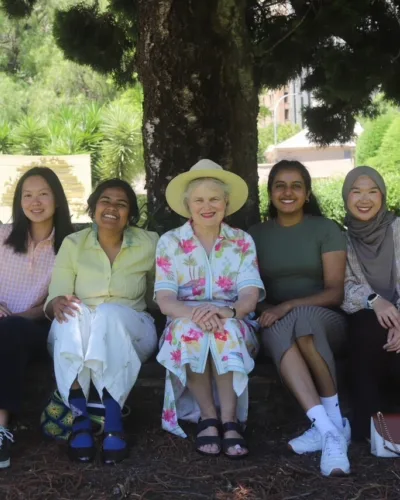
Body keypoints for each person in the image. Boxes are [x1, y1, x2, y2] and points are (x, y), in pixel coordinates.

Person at [155, 159, 265, 459]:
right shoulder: (170, 242)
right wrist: (197, 314)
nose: (207, 206)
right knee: (190, 331)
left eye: (214, 198)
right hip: (183, 319)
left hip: (234, 319)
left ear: (226, 203)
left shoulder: (242, 242)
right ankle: (209, 417)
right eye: (199, 199)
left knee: (225, 330)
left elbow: (249, 297)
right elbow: (165, 300)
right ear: (187, 205)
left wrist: (226, 313)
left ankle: (230, 420)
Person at [44, 179, 158, 464]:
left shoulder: (150, 243)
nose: (112, 208)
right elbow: (55, 297)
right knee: (72, 311)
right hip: (76, 333)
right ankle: (81, 417)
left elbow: (161, 295)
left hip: (133, 330)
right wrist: (56, 302)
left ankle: (114, 418)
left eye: (122, 204)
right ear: (93, 208)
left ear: (130, 214)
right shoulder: (73, 243)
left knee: (108, 313)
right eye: (105, 201)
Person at [248, 160, 350, 477]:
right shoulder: (256, 235)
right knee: (281, 327)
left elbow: (335, 292)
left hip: (326, 320)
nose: (287, 192)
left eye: (296, 186)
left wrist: (287, 305)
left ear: (307, 193)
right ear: (270, 192)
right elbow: (253, 292)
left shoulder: (325, 229)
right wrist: (271, 310)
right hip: (277, 320)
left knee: (303, 320)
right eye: (280, 185)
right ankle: (331, 429)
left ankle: (328, 426)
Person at [0, 167, 73, 469]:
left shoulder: (70, 245)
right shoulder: (3, 236)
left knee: (13, 329)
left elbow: (52, 302)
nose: (35, 201)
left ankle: (2, 428)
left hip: (38, 328)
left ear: (57, 198)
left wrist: (14, 317)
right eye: (27, 195)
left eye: (43, 193)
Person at [341, 166, 400, 441]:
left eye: (372, 191)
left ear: (382, 195)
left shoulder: (398, 230)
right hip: (364, 313)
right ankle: (374, 432)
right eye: (357, 191)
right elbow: (343, 285)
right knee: (367, 328)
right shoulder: (342, 239)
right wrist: (375, 301)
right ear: (346, 196)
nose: (364, 199)